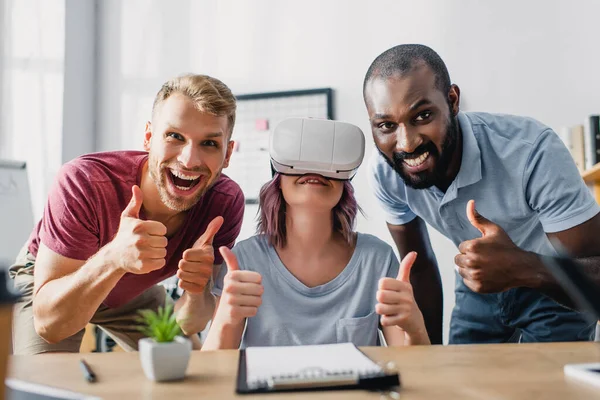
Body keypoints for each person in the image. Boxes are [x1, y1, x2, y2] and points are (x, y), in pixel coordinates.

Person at [363, 44, 600, 345]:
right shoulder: (386, 172)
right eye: (386, 125)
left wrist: (522, 266)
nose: (407, 144)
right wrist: (430, 360)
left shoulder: (532, 151)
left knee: (543, 389)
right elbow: (419, 264)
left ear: (452, 101)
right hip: (477, 282)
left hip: (554, 285)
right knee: (464, 387)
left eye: (422, 116)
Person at [9, 74, 245, 355]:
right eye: (174, 136)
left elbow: (190, 322)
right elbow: (51, 325)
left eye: (209, 144)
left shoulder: (224, 203)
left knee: (187, 370)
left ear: (228, 154)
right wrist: (114, 258)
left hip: (131, 291)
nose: (189, 160)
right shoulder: (83, 182)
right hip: (54, 282)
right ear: (148, 137)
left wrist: (197, 291)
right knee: (44, 390)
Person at [202, 119, 430, 350]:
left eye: (327, 167)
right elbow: (213, 373)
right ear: (277, 180)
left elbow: (411, 369)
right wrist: (225, 320)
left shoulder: (377, 259)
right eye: (300, 164)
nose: (314, 170)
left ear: (345, 184)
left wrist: (415, 327)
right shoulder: (245, 260)